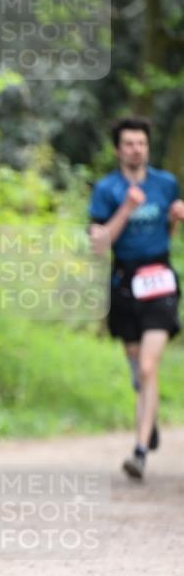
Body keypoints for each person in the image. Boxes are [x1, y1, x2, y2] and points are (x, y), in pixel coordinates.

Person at [89, 116, 183, 479]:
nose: (136, 149)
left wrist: (176, 217)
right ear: (118, 150)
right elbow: (100, 243)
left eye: (141, 143)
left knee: (148, 366)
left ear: (147, 147)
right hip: (124, 283)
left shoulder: (166, 183)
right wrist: (127, 208)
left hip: (159, 281)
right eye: (129, 143)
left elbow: (166, 230)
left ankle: (140, 451)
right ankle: (150, 413)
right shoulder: (106, 189)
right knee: (137, 368)